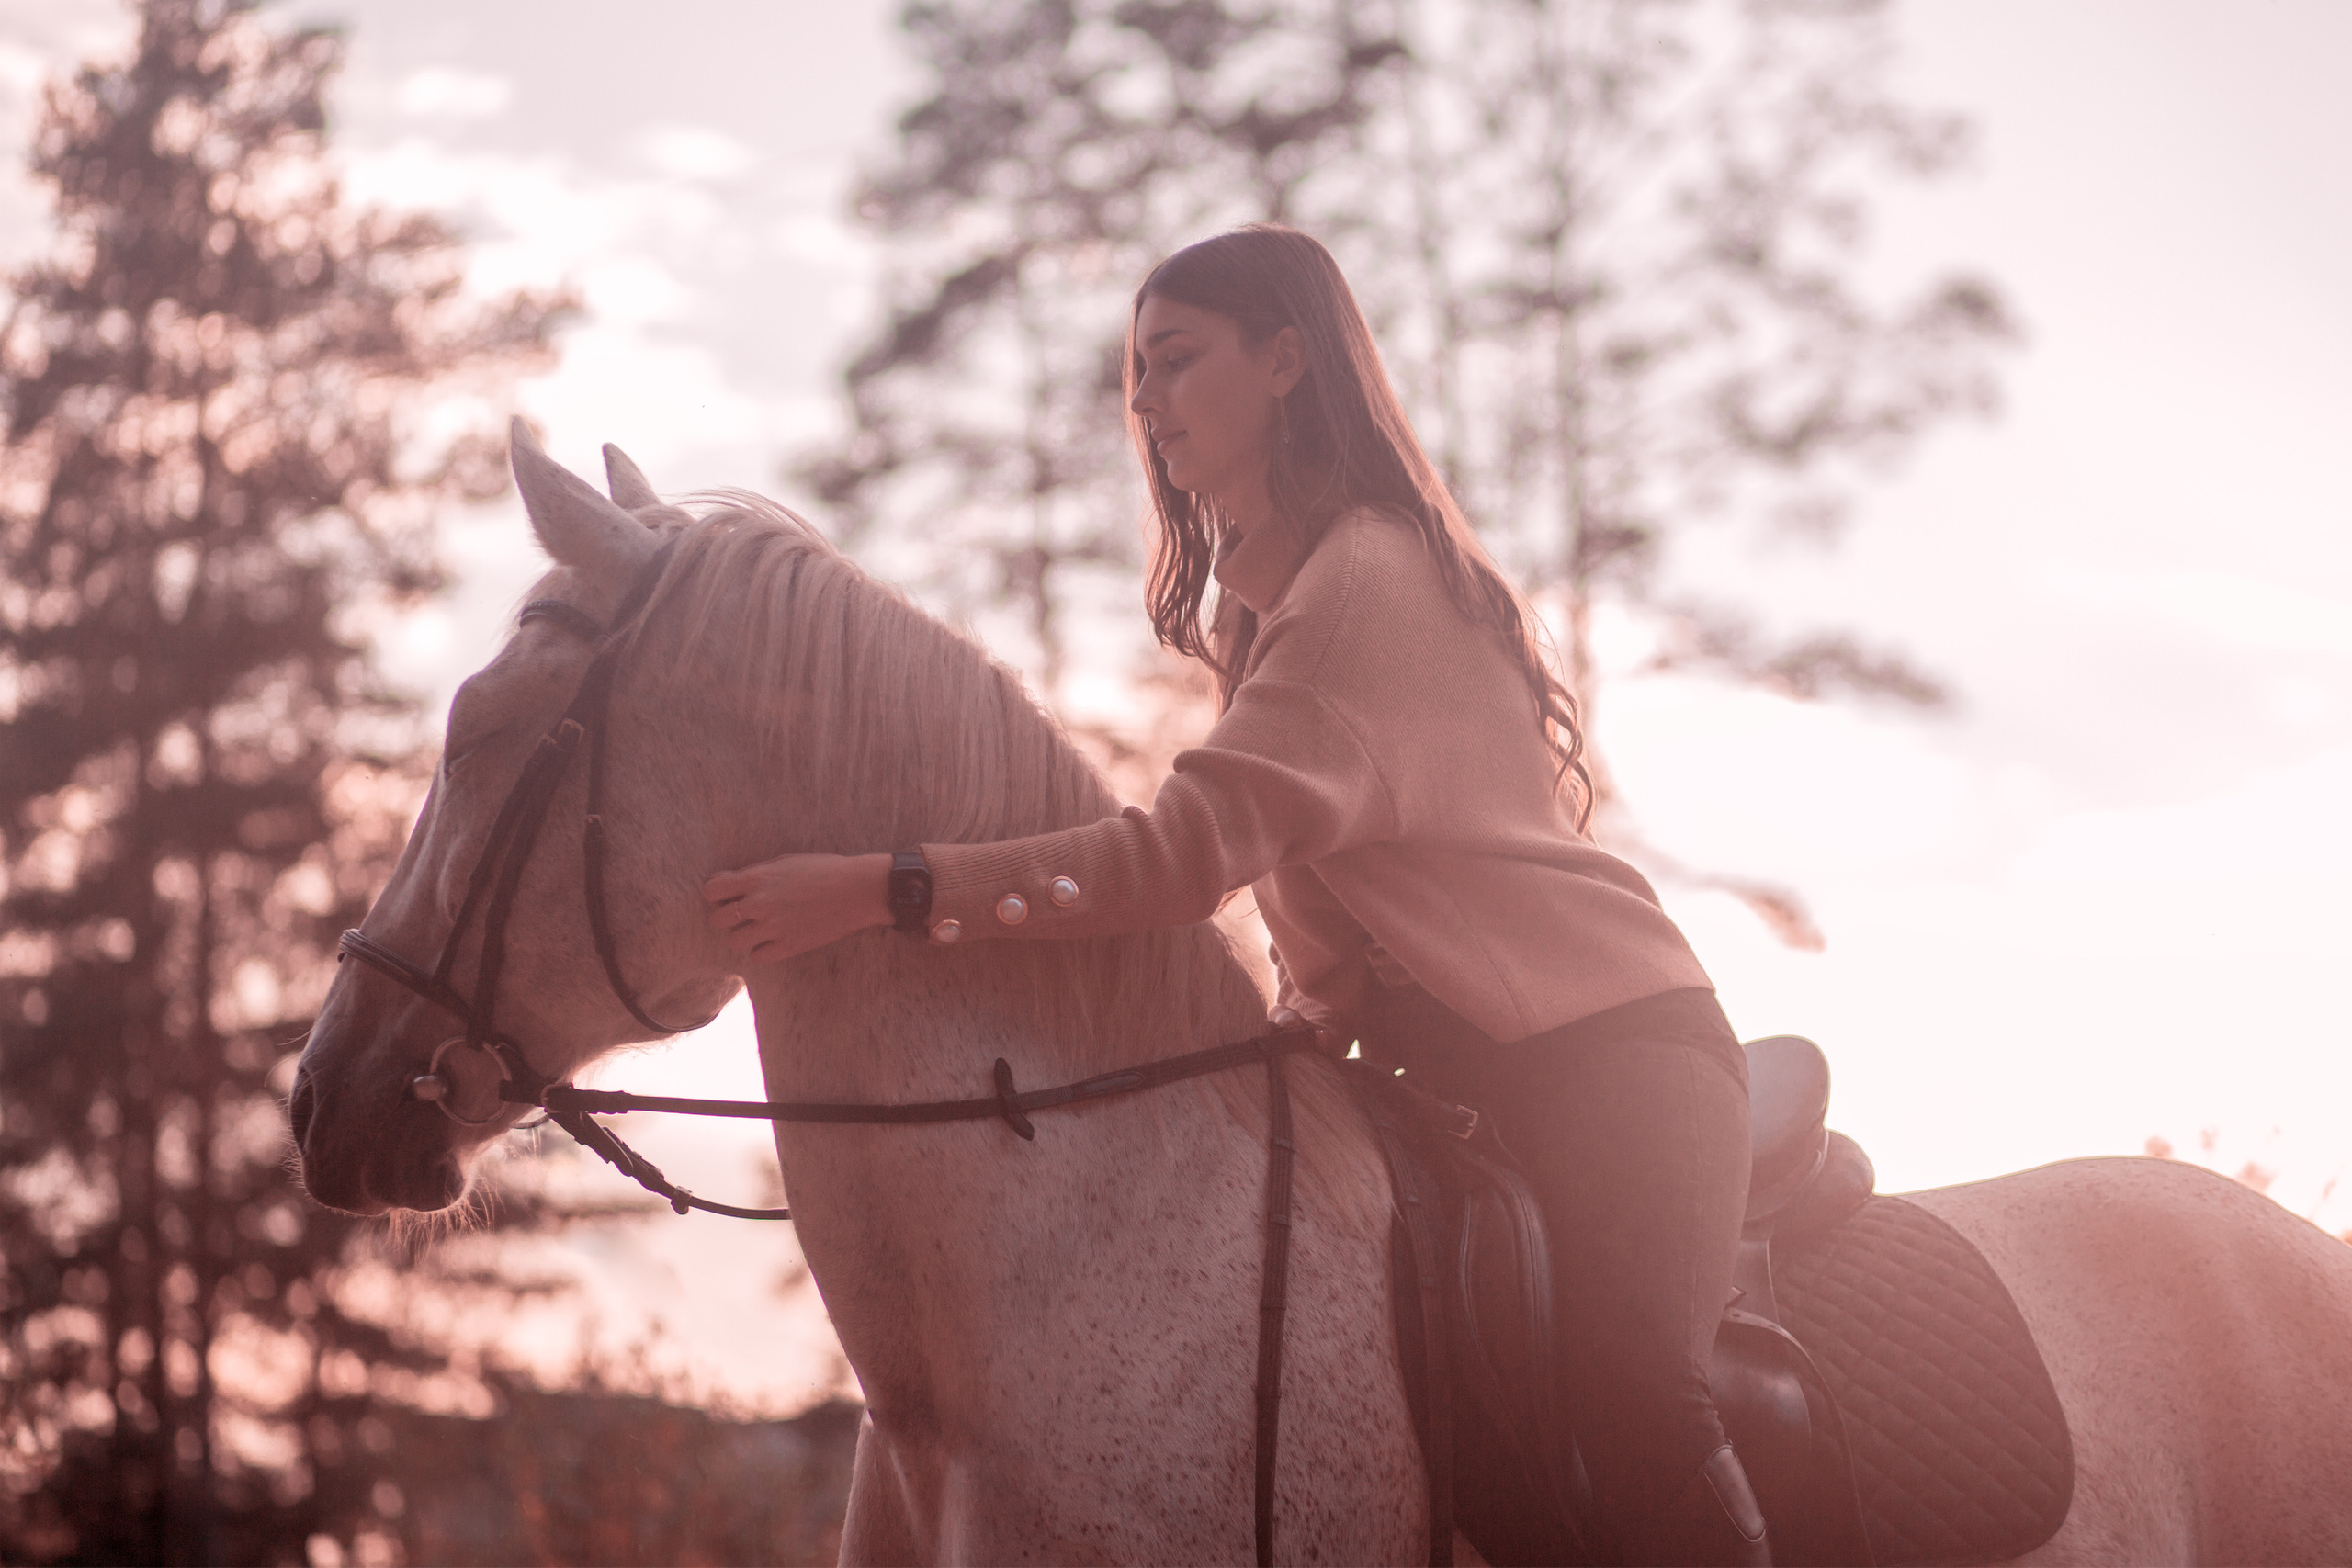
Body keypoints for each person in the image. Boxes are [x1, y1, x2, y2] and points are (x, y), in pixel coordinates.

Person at [702, 224, 1767, 1566]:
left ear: (1284, 361)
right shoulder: (1268, 615)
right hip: (1446, 1089)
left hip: (1613, 1064)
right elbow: (1315, 943)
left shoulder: (1364, 586)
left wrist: (888, 886)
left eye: (1175, 359)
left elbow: (1175, 861)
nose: (1144, 400)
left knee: (1632, 1402)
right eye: (1134, 371)